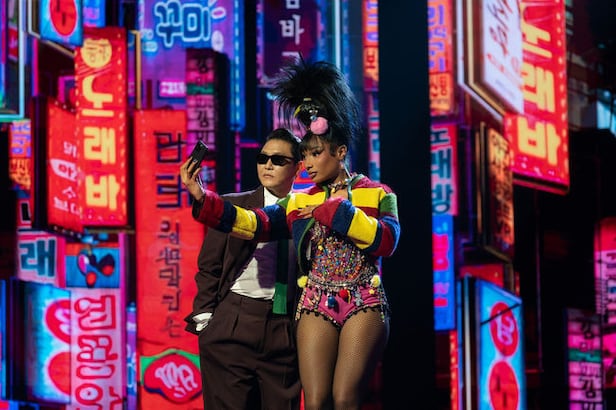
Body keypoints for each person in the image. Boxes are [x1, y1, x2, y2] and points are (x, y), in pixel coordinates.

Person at [180, 59, 401, 410]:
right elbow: (253, 223)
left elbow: (387, 240)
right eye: (304, 155)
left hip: (363, 299)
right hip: (314, 301)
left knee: (345, 398)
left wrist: (336, 211)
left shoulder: (378, 193)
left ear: (340, 152)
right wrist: (203, 199)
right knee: (314, 402)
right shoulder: (299, 201)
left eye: (315, 154)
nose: (308, 163)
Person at [183, 128, 303, 410]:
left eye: (278, 160)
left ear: (298, 168)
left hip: (284, 328)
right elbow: (209, 266)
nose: (268, 165)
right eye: (262, 158)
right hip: (233, 321)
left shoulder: (307, 210)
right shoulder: (231, 205)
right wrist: (206, 320)